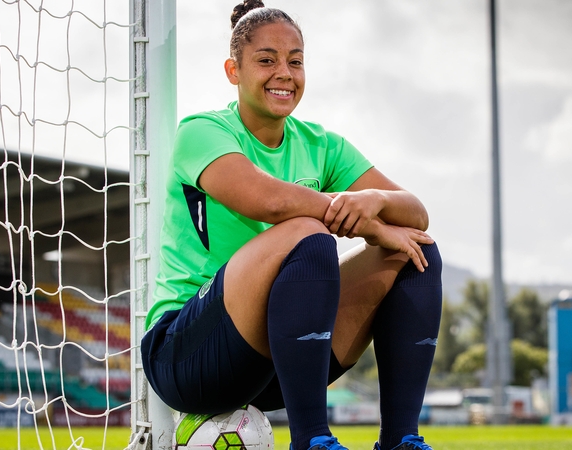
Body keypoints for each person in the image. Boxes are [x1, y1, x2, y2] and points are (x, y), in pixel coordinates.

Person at [141, 2, 443, 450]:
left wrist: (375, 200)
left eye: (295, 61)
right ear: (233, 71)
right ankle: (312, 441)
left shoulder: (322, 145)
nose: (284, 72)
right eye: (266, 60)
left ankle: (401, 439)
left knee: (415, 250)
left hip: (270, 364)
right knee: (307, 231)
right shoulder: (202, 132)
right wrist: (373, 227)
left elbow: (416, 213)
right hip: (187, 357)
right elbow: (271, 200)